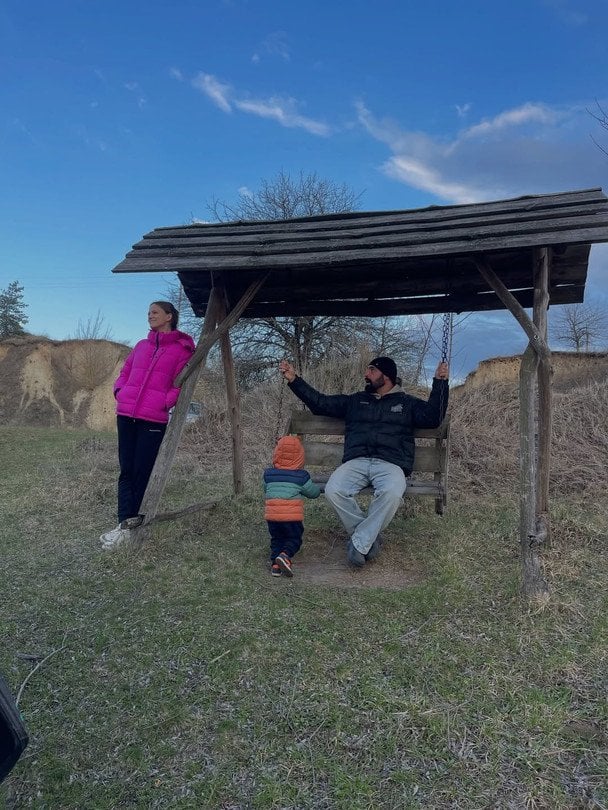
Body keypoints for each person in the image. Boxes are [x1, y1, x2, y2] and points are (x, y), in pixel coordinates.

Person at [278, 356, 449, 567]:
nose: (366, 375)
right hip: (356, 461)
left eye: (371, 370)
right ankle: (368, 538)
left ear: (386, 376)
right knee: (334, 490)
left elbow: (433, 417)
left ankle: (359, 543)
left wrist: (440, 382)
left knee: (392, 493)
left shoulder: (407, 404)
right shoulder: (356, 401)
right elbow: (320, 403)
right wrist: (294, 380)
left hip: (391, 464)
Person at [100, 302, 195, 549]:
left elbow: (179, 384)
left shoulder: (182, 350)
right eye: (148, 312)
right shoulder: (141, 346)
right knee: (126, 471)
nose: (150, 315)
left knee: (142, 472)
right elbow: (125, 371)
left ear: (169, 317)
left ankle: (133, 528)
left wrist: (166, 401)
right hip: (126, 413)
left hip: (153, 418)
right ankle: (122, 525)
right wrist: (120, 391)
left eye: (155, 312)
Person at [263, 435, 321, 577]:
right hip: (292, 518)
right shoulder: (301, 476)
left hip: (272, 517)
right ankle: (285, 555)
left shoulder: (268, 474)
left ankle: (276, 566)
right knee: (294, 539)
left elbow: (266, 489)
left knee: (277, 539)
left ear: (277, 453)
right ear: (300, 456)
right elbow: (313, 493)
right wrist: (319, 490)